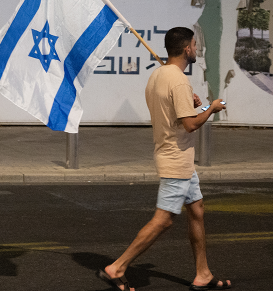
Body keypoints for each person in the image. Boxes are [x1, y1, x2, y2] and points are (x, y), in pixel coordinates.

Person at [96, 27, 230, 291]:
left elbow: (179, 116)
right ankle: (117, 267)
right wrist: (211, 108)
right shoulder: (178, 80)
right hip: (176, 159)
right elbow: (190, 125)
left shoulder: (158, 75)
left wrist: (195, 106)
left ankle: (202, 273)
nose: (196, 48)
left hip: (177, 156)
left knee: (197, 209)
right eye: (194, 44)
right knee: (164, 220)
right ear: (186, 49)